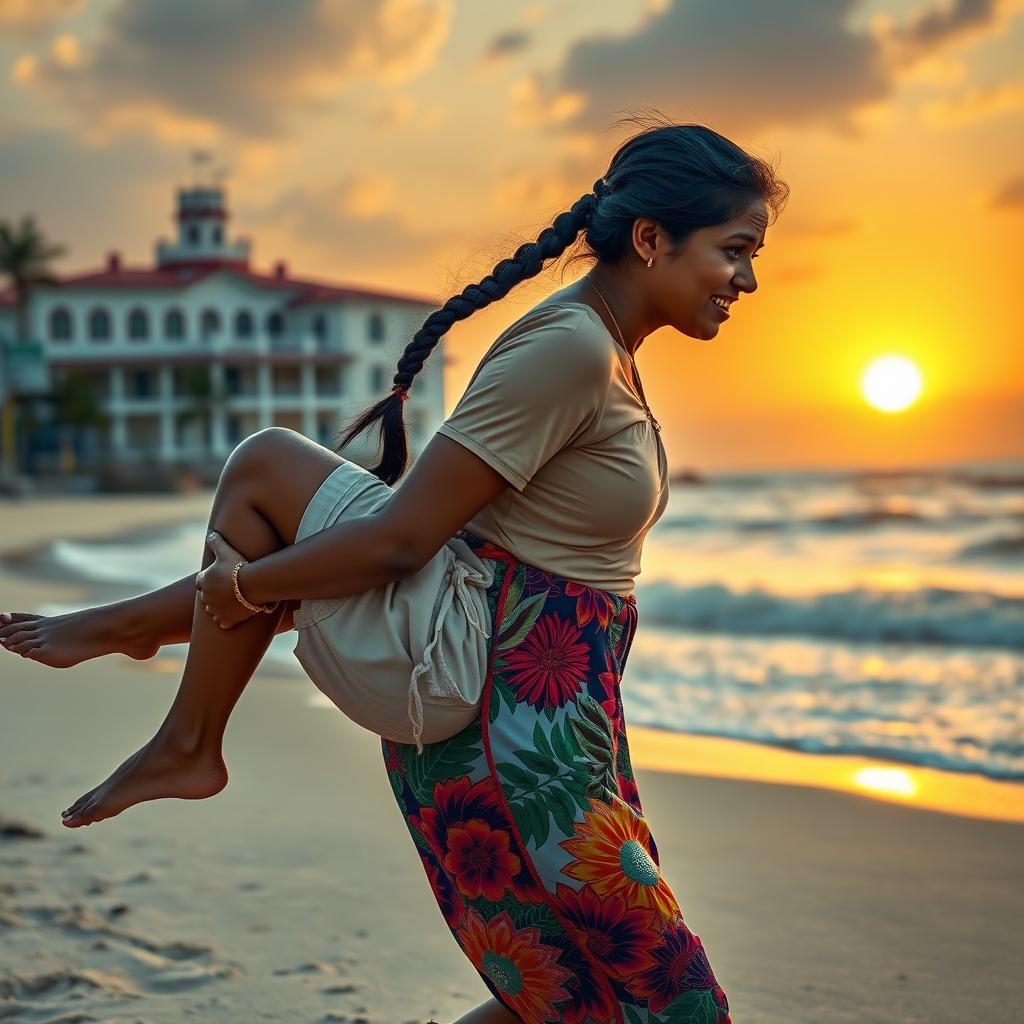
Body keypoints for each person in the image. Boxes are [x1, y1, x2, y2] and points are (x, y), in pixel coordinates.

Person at [1, 115, 787, 1024]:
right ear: (652, 239)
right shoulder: (568, 349)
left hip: (562, 732)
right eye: (735, 248)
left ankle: (141, 641)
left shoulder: (603, 353)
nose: (749, 278)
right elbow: (409, 539)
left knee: (567, 1000)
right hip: (506, 742)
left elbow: (432, 542)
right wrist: (247, 587)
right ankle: (175, 712)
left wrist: (235, 592)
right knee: (669, 1001)